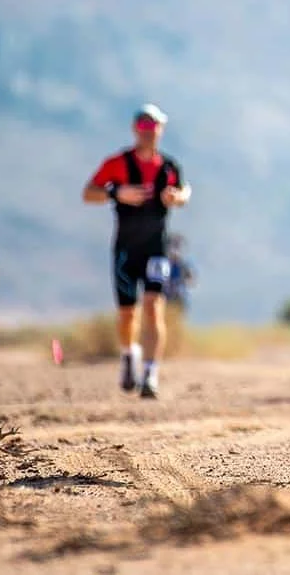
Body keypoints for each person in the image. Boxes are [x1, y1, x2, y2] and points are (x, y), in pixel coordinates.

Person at [82, 103, 191, 399]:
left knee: (154, 307)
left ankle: (151, 374)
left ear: (161, 129)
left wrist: (177, 197)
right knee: (127, 313)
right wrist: (116, 193)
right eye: (143, 125)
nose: (148, 131)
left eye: (153, 125)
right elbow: (88, 193)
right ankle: (129, 355)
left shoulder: (169, 167)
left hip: (157, 249)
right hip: (125, 250)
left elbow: (185, 191)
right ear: (134, 129)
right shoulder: (117, 163)